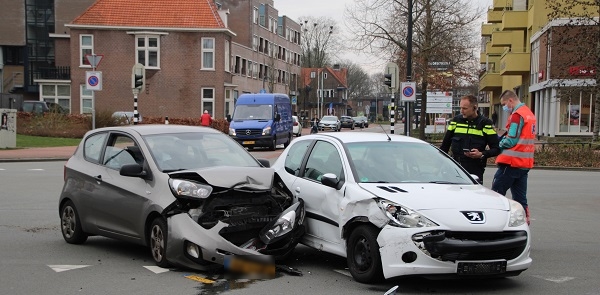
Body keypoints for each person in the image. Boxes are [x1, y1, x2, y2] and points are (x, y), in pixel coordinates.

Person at [491, 90, 536, 225]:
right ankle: (524, 224)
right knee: (521, 200)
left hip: (511, 163)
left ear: (510, 101)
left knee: (496, 196)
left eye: (504, 104)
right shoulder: (529, 113)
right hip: (524, 164)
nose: (505, 108)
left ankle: (494, 223)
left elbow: (511, 140)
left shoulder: (517, 115)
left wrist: (498, 143)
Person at [440, 95, 500, 184]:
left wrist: (481, 154)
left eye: (465, 108)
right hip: (455, 167)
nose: (461, 111)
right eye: (461, 108)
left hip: (475, 169)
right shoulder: (456, 121)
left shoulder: (485, 124)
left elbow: (496, 149)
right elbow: (445, 146)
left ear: (474, 108)